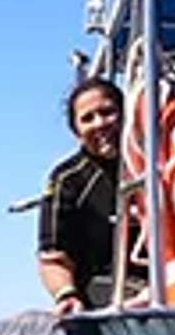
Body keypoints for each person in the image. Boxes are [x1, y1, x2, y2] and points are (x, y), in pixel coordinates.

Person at [31, 75, 127, 312]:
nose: (100, 124)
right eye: (87, 119)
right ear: (76, 131)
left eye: (107, 112)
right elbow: (52, 256)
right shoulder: (67, 180)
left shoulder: (166, 165)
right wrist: (66, 295)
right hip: (103, 296)